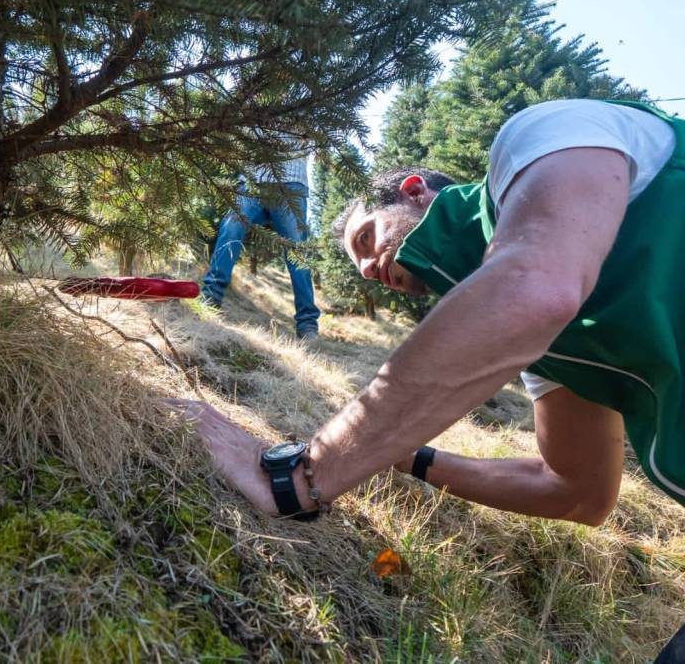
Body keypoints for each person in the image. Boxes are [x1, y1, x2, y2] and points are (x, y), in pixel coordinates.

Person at [180, 99, 685, 661]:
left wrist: (303, 476)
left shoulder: (542, 134)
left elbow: (532, 290)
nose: (372, 271)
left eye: (367, 240)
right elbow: (578, 493)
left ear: (415, 189)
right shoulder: (546, 349)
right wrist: (409, 456)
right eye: (361, 268)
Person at [200, 133, 320, 339]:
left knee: (296, 253)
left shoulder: (302, 104)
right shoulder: (252, 101)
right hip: (252, 181)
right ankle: (210, 297)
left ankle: (307, 324)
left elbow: (316, 138)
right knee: (230, 229)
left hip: (290, 183)